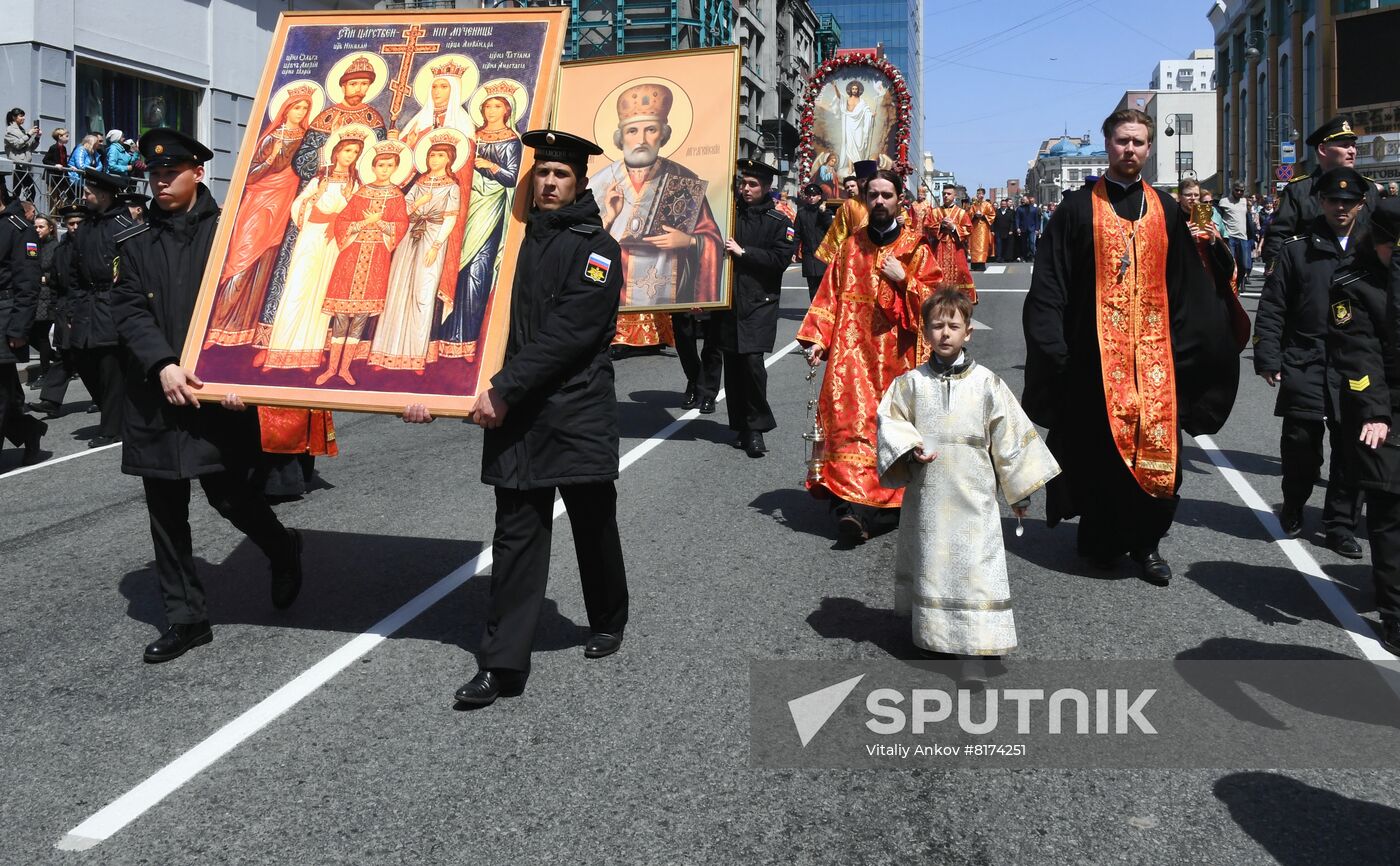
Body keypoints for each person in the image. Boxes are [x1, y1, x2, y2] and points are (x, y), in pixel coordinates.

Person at [404, 129, 629, 707]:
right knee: (516, 533)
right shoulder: (510, 243)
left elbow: (571, 334)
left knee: (592, 522)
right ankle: (502, 664)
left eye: (561, 175)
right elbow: (471, 317)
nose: (550, 184)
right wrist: (427, 383)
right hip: (517, 412)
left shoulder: (598, 248)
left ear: (579, 182)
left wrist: (504, 386)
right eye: (543, 175)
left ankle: (607, 617)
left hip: (574, 408)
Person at [1022, 108, 1244, 585]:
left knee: (1159, 454)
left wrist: (1194, 340)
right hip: (1094, 363)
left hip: (1157, 364)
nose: (1131, 150)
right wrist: (1056, 351)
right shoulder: (1077, 209)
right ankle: (1101, 539)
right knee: (1101, 457)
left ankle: (1147, 544)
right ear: (1108, 143)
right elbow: (1050, 287)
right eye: (1123, 141)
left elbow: (1188, 282)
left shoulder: (1164, 209)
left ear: (1148, 148)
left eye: (1139, 142)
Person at [110, 128, 303, 663]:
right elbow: (127, 309)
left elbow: (259, 302)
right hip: (157, 394)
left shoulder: (231, 233)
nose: (161, 181)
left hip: (217, 395)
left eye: (172, 172)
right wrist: (162, 364)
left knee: (230, 498)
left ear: (198, 173)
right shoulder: (133, 241)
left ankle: (283, 549)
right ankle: (186, 618)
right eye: (154, 173)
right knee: (165, 512)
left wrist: (244, 377)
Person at [876, 288, 1060, 658]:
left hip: (975, 495)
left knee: (978, 564)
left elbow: (1009, 437)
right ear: (925, 331)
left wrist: (1019, 492)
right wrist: (910, 446)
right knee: (933, 563)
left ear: (968, 332)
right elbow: (890, 421)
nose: (945, 333)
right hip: (930, 495)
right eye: (937, 326)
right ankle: (935, 637)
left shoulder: (987, 383)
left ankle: (978, 643)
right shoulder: (911, 383)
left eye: (953, 326)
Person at [797, 169, 944, 543]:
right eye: (873, 195)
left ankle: (874, 509)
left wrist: (904, 279)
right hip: (851, 358)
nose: (879, 201)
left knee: (891, 432)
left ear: (899, 200)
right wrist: (818, 339)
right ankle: (851, 509)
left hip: (899, 360)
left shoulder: (916, 248)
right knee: (848, 429)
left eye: (886, 195)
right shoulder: (850, 248)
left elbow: (936, 306)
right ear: (865, 200)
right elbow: (829, 297)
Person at [1253, 166, 1367, 557]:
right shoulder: (1298, 249)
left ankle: (1340, 526)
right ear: (1321, 202)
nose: (1341, 207)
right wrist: (1268, 354)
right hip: (1306, 357)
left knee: (1352, 450)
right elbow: (1272, 307)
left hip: (1355, 364)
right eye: (1334, 200)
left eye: (1348, 202)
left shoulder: (1371, 250)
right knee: (1300, 445)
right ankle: (1295, 505)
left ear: (1360, 205)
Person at [1326, 199, 1400, 653]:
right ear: (1379, 243)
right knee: (1390, 508)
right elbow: (1357, 352)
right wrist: (1374, 410)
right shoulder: (1352, 284)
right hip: (1382, 404)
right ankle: (1395, 613)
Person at [206, 83, 318, 349]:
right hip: (259, 201)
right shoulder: (271, 138)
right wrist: (272, 159)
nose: (300, 112)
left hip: (282, 204)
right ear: (286, 109)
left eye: (305, 108)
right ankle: (218, 325)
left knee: (265, 264)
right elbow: (251, 175)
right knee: (241, 260)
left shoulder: (306, 139)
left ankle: (245, 328)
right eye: (296, 107)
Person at [716, 159, 795, 459]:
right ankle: (740, 425)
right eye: (743, 183)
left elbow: (779, 261)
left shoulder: (778, 221)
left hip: (759, 302)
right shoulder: (728, 213)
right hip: (729, 300)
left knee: (752, 364)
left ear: (766, 188)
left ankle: (757, 429)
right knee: (733, 364)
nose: (746, 189)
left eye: (753, 184)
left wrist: (743, 252)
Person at [369, 131, 466, 371]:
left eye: (440, 155)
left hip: (432, 237)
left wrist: (436, 246)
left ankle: (415, 356)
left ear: (449, 159)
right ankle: (385, 353)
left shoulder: (452, 187)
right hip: (409, 234)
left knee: (423, 294)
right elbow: (403, 211)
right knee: (398, 289)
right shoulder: (419, 183)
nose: (434, 159)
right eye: (432, 154)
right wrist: (418, 205)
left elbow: (449, 220)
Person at [317, 141, 409, 386]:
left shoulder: (397, 196)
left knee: (359, 317)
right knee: (341, 314)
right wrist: (362, 224)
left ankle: (345, 369)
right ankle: (330, 369)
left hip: (376, 257)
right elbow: (343, 221)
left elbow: (401, 226)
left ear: (396, 168)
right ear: (374, 166)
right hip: (351, 255)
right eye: (381, 165)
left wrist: (379, 223)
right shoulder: (361, 193)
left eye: (390, 166)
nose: (385, 170)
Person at [66, 168, 134, 447]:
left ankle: (112, 427)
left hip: (113, 302)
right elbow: (73, 270)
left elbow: (130, 268)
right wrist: (72, 306)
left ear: (104, 195)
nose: (84, 196)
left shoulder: (123, 224)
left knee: (110, 368)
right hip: (86, 303)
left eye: (89, 192)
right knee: (83, 360)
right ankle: (114, 415)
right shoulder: (86, 226)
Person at [1263, 115, 1380, 265]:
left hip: (1358, 278)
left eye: (1353, 145)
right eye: (1344, 145)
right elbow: (1278, 237)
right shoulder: (1299, 190)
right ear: (1323, 149)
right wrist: (1279, 273)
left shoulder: (1368, 189)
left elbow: (1381, 236)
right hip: (1311, 276)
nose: (1352, 151)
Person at [0, 179, 47, 468]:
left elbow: (28, 284)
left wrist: (19, 328)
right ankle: (29, 429)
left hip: (4, 316)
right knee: (6, 393)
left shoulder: (19, 228)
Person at [816, 159, 876, 263]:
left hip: (883, 255)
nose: (867, 184)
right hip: (857, 255)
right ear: (858, 183)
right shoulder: (849, 205)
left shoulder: (885, 202)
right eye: (863, 181)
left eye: (870, 180)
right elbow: (838, 233)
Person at [925, 186, 977, 300]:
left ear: (954, 196)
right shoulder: (935, 212)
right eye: (944, 193)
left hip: (956, 249)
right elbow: (928, 226)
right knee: (937, 273)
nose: (945, 196)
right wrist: (940, 225)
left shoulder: (961, 213)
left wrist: (953, 227)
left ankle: (960, 299)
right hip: (939, 249)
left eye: (949, 194)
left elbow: (968, 229)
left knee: (961, 272)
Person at [25, 214, 59, 382]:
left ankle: (45, 373)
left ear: (50, 228)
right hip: (34, 295)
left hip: (46, 297)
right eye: (35, 227)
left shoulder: (54, 247)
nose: (37, 230)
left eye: (41, 227)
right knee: (30, 334)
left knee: (41, 335)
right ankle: (59, 359)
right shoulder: (34, 245)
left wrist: (42, 277)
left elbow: (54, 272)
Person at [794, 181, 834, 300]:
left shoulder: (824, 211)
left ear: (819, 196)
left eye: (814, 195)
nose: (811, 198)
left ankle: (825, 312)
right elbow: (797, 234)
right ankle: (814, 312)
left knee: (825, 286)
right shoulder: (801, 213)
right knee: (812, 287)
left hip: (823, 255)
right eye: (809, 195)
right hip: (809, 254)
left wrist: (824, 213)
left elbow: (831, 229)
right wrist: (794, 251)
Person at [1218, 181, 1253, 288]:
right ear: (1232, 189)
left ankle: (1239, 281)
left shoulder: (1244, 201)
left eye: (1241, 191)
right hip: (1230, 237)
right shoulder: (1224, 202)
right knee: (1231, 263)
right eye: (1236, 190)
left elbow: (1248, 218)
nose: (1238, 192)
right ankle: (1230, 285)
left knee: (1244, 264)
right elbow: (1218, 217)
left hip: (1243, 237)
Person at [4, 108, 41, 203]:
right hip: (17, 164)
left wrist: (36, 138)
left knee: (31, 192)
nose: (23, 118)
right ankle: (14, 213)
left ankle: (27, 213)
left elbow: (30, 148)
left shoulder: (22, 130)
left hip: (25, 165)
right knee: (17, 191)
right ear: (14, 117)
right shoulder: (10, 130)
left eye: (23, 115)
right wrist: (29, 134)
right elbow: (17, 145)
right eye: (21, 116)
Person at [966, 188, 995, 271]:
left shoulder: (987, 205)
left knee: (982, 245)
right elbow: (968, 215)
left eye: (981, 193)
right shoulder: (973, 205)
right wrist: (974, 216)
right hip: (975, 227)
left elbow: (992, 215)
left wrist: (983, 216)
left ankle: (981, 264)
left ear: (984, 195)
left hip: (983, 228)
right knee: (974, 246)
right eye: (978, 193)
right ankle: (974, 264)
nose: (979, 195)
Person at [1015, 194, 1040, 261]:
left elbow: (1037, 220)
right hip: (1023, 228)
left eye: (1025, 199)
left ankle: (1032, 256)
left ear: (1028, 200)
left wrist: (1037, 229)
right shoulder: (1019, 208)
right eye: (1023, 199)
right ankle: (1024, 256)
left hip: (1032, 228)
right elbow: (1017, 218)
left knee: (1032, 242)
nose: (1023, 200)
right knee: (1024, 244)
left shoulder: (1034, 209)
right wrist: (1017, 227)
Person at [993, 198, 1016, 263]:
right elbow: (993, 222)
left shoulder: (1010, 212)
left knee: (1006, 245)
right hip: (998, 231)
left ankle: (1006, 257)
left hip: (1007, 231)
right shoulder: (996, 211)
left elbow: (1012, 222)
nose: (1003, 205)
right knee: (999, 245)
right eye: (1002, 204)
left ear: (1006, 205)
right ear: (1000, 204)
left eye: (1004, 204)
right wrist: (992, 230)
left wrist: (1011, 230)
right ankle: (999, 258)